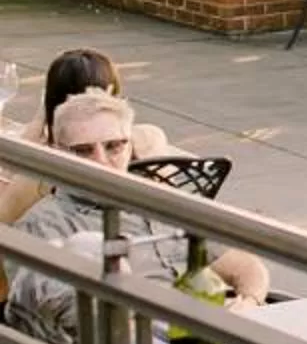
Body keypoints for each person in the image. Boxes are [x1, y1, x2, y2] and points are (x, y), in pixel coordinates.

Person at [8, 89, 273, 344]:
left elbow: (246, 266)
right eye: (83, 151)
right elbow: (82, 324)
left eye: (113, 146)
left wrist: (248, 303)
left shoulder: (157, 202)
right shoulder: (44, 227)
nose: (101, 161)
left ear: (130, 146)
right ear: (59, 154)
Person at [0, 46, 190, 224]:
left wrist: (40, 120)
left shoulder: (47, 169)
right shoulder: (149, 138)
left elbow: (3, 215)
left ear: (54, 103)